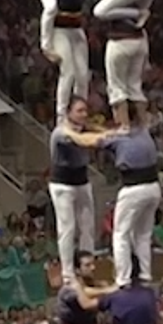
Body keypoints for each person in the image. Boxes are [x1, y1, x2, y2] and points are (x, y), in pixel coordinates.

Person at [49, 99, 117, 284]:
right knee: (67, 228)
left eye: (85, 110)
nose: (84, 114)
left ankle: (87, 263)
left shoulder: (85, 127)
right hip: (62, 185)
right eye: (79, 111)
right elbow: (84, 140)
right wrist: (105, 137)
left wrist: (114, 132)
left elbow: (96, 130)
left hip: (82, 181)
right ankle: (68, 272)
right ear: (69, 112)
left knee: (87, 225)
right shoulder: (61, 132)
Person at [100, 122, 161, 287]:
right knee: (143, 235)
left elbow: (99, 141)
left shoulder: (121, 137)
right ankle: (146, 275)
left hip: (133, 189)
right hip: (154, 188)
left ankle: (123, 279)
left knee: (120, 235)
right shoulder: (144, 131)